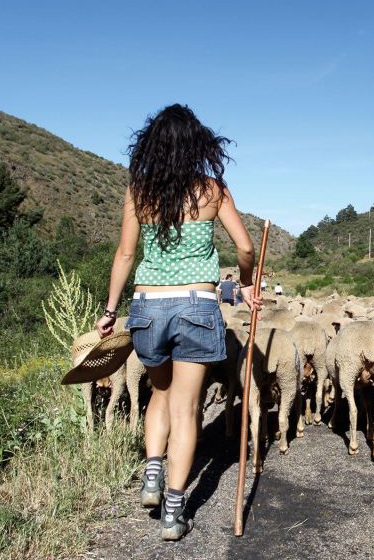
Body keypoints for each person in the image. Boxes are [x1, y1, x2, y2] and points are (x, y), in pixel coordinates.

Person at [95, 104, 260, 541]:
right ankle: (173, 511)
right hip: (196, 305)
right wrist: (245, 284)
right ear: (197, 144)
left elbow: (126, 255)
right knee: (188, 410)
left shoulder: (139, 191)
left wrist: (111, 311)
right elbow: (245, 248)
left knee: (159, 397)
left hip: (148, 306)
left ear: (153, 144)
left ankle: (152, 474)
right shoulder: (212, 190)